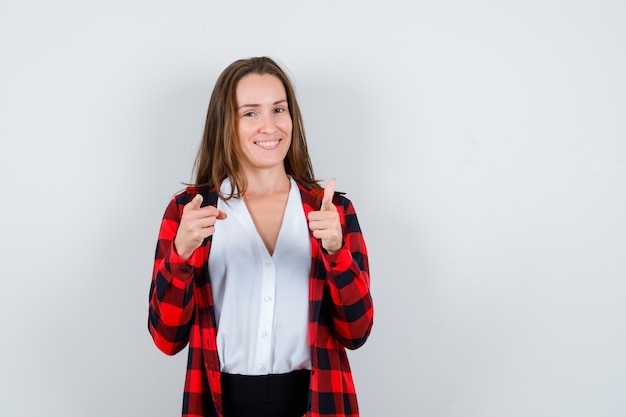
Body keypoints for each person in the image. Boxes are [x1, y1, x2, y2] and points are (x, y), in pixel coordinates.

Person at [148, 56, 373, 417]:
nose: (269, 127)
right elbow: (166, 339)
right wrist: (182, 253)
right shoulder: (190, 212)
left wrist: (336, 252)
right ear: (226, 124)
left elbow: (357, 332)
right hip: (220, 402)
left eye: (278, 110)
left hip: (316, 401)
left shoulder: (331, 212)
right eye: (250, 113)